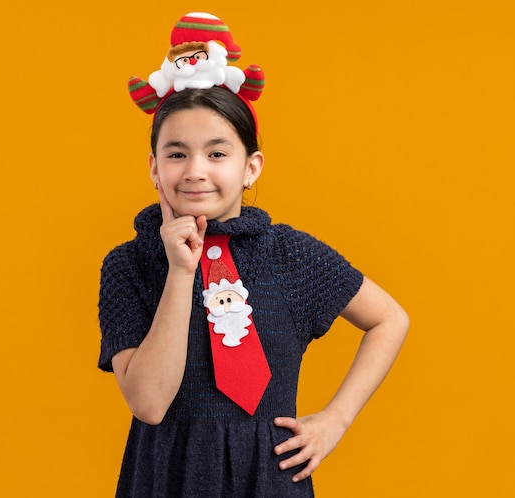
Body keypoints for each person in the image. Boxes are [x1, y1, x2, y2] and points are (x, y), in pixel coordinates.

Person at [98, 12, 409, 497]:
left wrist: (334, 422)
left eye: (218, 154)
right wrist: (181, 271)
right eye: (176, 153)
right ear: (154, 169)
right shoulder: (129, 263)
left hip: (269, 477)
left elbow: (389, 319)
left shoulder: (293, 256)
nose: (196, 171)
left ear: (251, 167)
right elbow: (149, 403)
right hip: (167, 477)